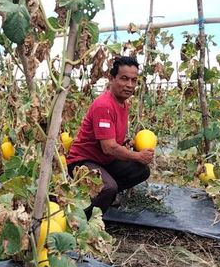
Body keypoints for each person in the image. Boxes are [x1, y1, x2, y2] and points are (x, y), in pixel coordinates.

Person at [66, 56, 154, 219]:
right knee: (108, 187)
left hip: (104, 160)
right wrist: (138, 155)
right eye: (124, 79)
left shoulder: (123, 103)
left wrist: (127, 142)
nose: (130, 85)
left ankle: (99, 198)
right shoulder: (104, 105)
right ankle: (83, 221)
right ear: (112, 78)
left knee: (141, 171)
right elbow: (108, 147)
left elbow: (112, 141)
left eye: (134, 80)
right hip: (82, 162)